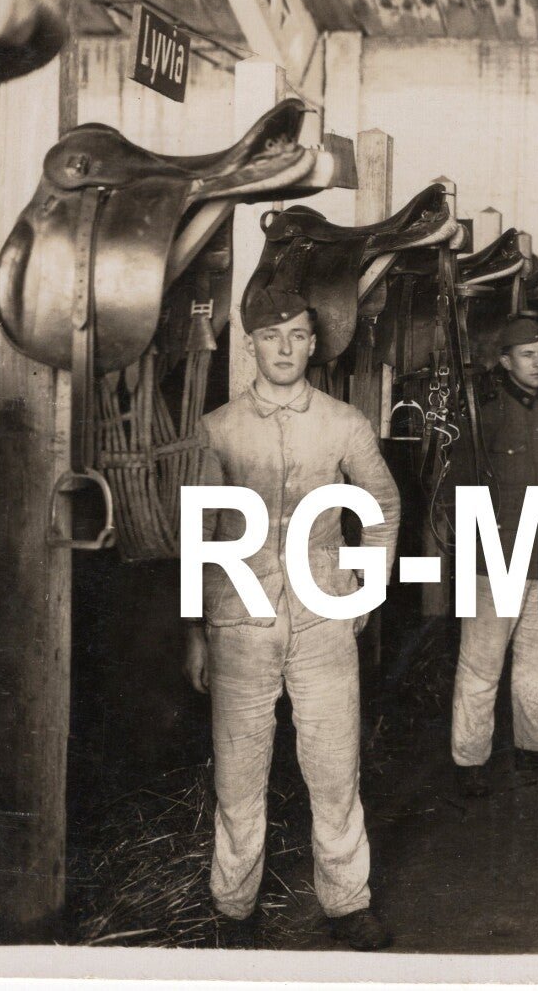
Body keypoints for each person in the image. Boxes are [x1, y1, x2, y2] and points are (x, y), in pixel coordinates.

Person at [184, 286, 401, 951]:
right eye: (271, 336)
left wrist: (365, 589)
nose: (284, 348)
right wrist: (194, 629)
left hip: (321, 615)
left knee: (334, 767)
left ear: (313, 344)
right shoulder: (217, 429)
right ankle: (233, 908)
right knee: (238, 773)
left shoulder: (343, 422)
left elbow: (383, 504)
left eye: (298, 335)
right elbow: (199, 533)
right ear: (250, 343)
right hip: (238, 621)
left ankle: (347, 902)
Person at [452, 314, 538, 798]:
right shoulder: (483, 415)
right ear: (506, 362)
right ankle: (470, 761)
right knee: (481, 666)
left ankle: (535, 744)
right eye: (527, 355)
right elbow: (456, 488)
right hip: (498, 555)